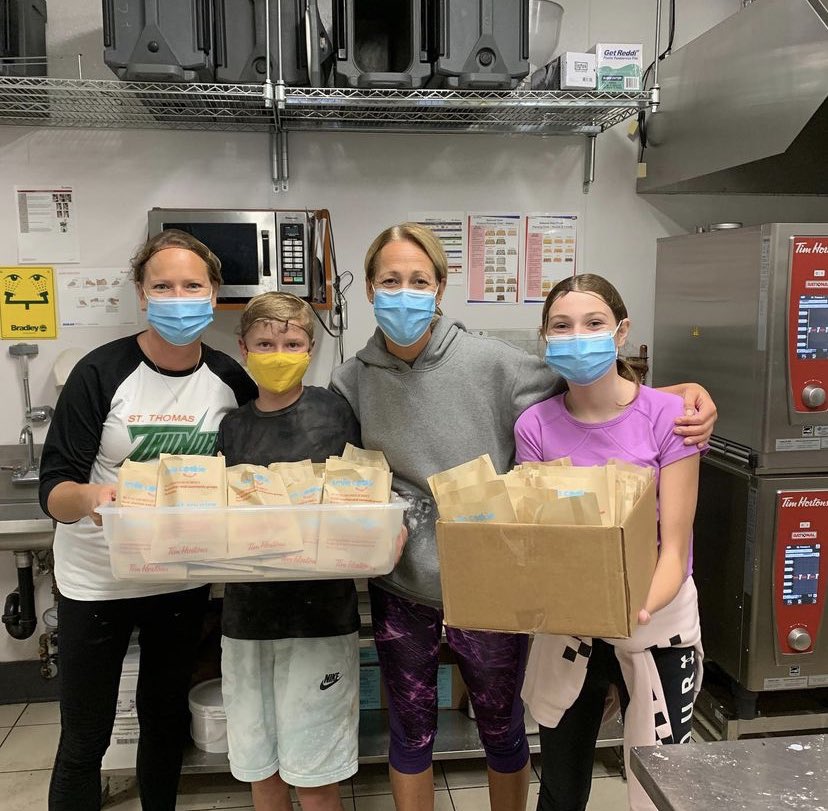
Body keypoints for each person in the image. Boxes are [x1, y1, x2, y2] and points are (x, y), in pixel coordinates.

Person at [330, 223, 716, 811]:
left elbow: (595, 387)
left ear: (440, 286)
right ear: (370, 289)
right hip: (403, 584)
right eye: (390, 280)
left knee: (503, 726)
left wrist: (680, 395)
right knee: (410, 731)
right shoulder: (351, 380)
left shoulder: (497, 365)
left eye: (418, 279)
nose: (403, 292)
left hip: (492, 586)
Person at [39, 229, 258, 811]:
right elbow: (54, 490)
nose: (178, 297)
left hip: (180, 578)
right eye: (163, 285)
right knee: (86, 735)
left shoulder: (229, 379)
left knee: (164, 723)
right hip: (97, 582)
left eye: (192, 285)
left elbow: (248, 470)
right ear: (142, 293)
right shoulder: (99, 372)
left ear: (214, 296)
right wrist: (95, 498)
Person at [515, 273, 704, 811]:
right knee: (561, 783)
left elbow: (675, 546)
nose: (578, 336)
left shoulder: (671, 418)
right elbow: (544, 538)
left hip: (655, 617)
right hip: (571, 622)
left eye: (593, 323)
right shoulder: (535, 426)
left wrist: (638, 607)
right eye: (562, 326)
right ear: (545, 338)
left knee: (660, 781)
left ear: (621, 333)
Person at [216, 292, 362, 811]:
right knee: (260, 766)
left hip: (319, 618)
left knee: (316, 772)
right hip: (248, 618)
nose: (279, 352)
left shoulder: (334, 412)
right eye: (265, 343)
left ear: (310, 348)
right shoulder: (231, 427)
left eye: (292, 342)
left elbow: (361, 498)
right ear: (244, 348)